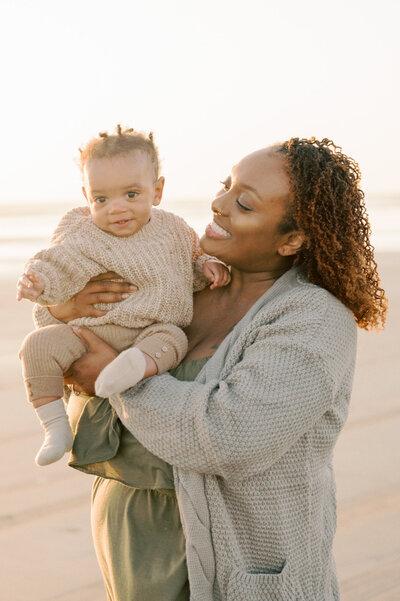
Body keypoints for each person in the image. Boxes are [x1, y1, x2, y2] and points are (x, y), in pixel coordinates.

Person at [37, 138, 387, 600]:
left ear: (292, 239)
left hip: (242, 564)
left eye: (243, 202)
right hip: (130, 548)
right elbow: (71, 366)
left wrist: (118, 380)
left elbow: (229, 436)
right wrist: (63, 312)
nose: (218, 204)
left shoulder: (313, 319)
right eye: (226, 186)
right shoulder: (183, 284)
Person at [17, 125, 230, 466]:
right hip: (89, 333)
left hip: (147, 333)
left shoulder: (172, 230)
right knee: (36, 346)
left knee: (172, 338)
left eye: (131, 194)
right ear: (87, 197)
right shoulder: (81, 230)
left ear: (157, 191)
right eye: (102, 199)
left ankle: (132, 368)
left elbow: (191, 257)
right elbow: (57, 262)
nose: (116, 208)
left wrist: (208, 265)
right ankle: (55, 427)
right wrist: (38, 282)